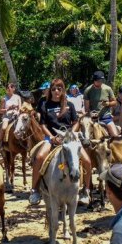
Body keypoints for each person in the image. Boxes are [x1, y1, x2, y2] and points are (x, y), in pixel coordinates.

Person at [28, 79, 92, 207]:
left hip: (69, 138)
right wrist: (51, 137)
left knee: (87, 161)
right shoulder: (45, 105)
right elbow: (43, 125)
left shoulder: (69, 105)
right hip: (52, 137)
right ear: (50, 90)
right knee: (39, 157)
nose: (56, 91)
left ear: (63, 91)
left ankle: (86, 190)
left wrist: (70, 134)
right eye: (54, 89)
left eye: (59, 89)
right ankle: (34, 189)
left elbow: (75, 123)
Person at [85, 70, 119, 137]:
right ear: (94, 80)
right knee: (86, 136)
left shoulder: (108, 89)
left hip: (106, 117)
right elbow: (86, 108)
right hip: (93, 118)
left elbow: (115, 102)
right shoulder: (88, 90)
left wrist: (108, 104)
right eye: (98, 81)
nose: (100, 82)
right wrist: (90, 113)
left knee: (115, 135)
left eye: (101, 80)